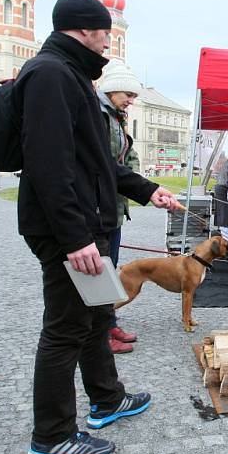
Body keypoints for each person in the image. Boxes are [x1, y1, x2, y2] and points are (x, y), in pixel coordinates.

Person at [16, 0, 178, 454]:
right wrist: (75, 240)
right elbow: (50, 167)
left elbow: (97, 163)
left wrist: (149, 190)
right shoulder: (50, 74)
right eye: (105, 33)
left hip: (89, 225)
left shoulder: (71, 76)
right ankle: (51, 436)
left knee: (95, 318)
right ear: (86, 29)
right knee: (65, 329)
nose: (108, 42)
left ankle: (107, 399)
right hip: (73, 232)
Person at [97, 59, 142, 355]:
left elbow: (129, 157)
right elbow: (104, 165)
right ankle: (99, 335)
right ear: (113, 89)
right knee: (100, 272)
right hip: (99, 208)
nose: (131, 100)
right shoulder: (97, 115)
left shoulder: (117, 117)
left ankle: (108, 322)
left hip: (114, 207)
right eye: (128, 93)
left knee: (109, 270)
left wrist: (134, 178)